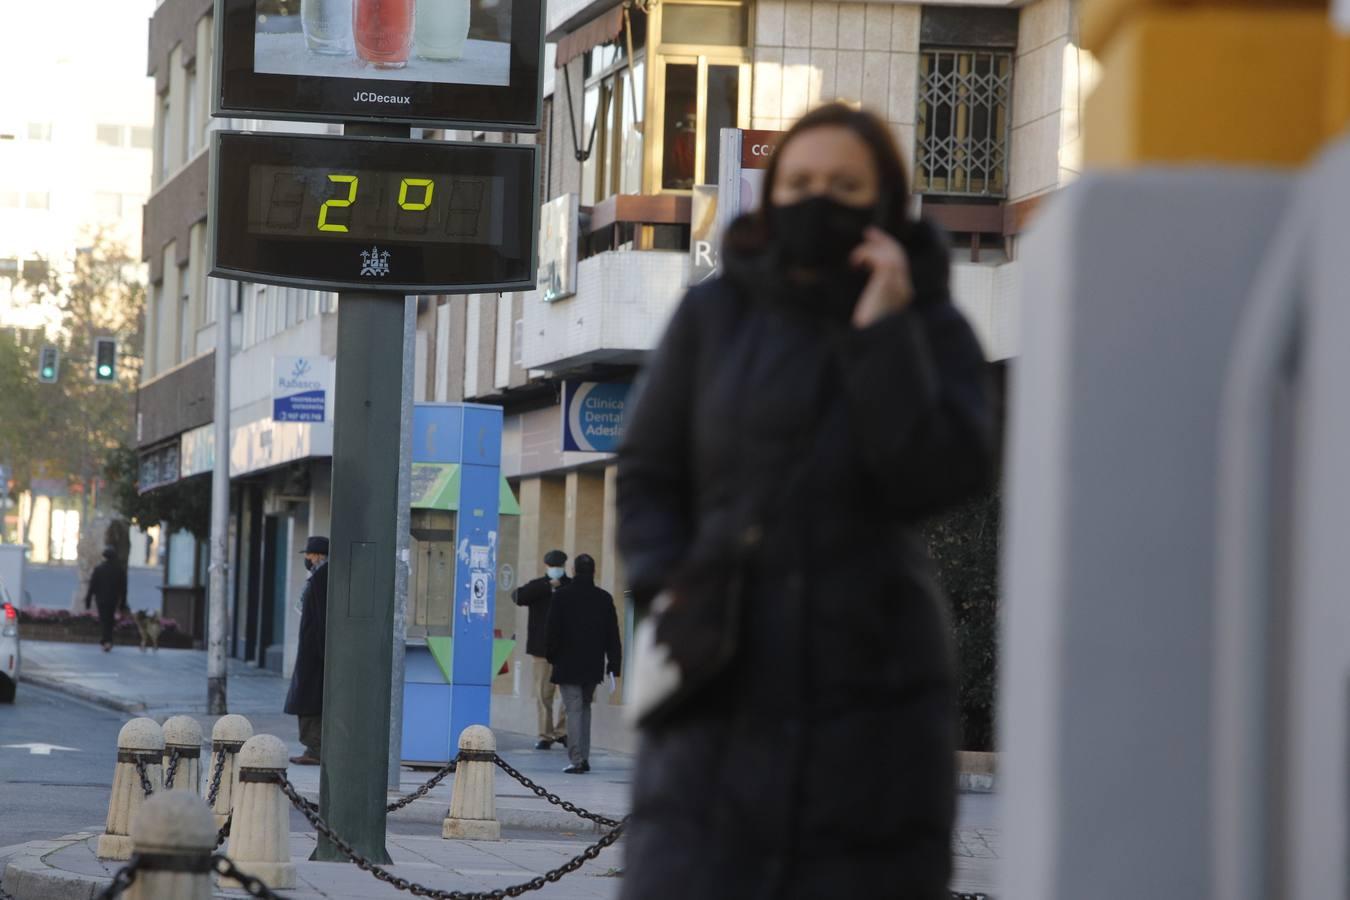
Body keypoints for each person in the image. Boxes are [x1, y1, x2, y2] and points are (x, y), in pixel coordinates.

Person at [616, 103, 994, 899]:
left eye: (846, 185)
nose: (821, 199)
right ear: (771, 193)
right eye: (802, 182)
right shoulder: (714, 314)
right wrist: (668, 591)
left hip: (877, 678)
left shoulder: (931, 323)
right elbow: (650, 469)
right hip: (715, 670)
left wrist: (882, 334)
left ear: (886, 201)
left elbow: (938, 475)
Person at [545, 554, 622, 775]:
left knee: (574, 710)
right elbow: (613, 635)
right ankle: (583, 757)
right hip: (592, 665)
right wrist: (614, 665)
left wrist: (552, 656)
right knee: (585, 709)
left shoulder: (561, 596)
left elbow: (552, 631)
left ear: (574, 570)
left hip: (567, 664)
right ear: (594, 571)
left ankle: (577, 759)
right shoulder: (604, 598)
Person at [513, 549, 570, 750]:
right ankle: (546, 735)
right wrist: (547, 587)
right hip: (542, 650)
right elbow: (518, 597)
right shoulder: (538, 586)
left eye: (559, 566)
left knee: (567, 694)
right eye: (552, 566)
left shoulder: (570, 586)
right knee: (543, 695)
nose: (556, 569)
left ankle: (563, 732)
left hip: (566, 650)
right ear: (546, 567)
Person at [284, 536, 329, 766]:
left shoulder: (322, 578)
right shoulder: (320, 577)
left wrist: (322, 653)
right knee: (307, 698)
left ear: (318, 555)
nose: (307, 559)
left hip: (315, 654)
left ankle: (315, 748)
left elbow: (321, 619)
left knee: (309, 700)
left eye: (309, 555)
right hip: (312, 652)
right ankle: (313, 747)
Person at [84, 547, 128, 652]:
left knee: (104, 619)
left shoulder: (99, 569)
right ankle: (108, 640)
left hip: (101, 599)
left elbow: (92, 586)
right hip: (113, 599)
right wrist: (123, 602)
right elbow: (123, 588)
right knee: (110, 619)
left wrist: (88, 599)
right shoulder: (119, 570)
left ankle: (106, 641)